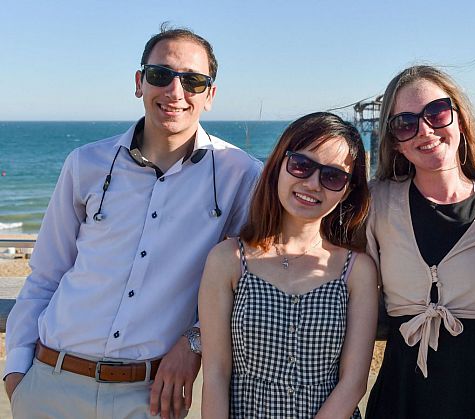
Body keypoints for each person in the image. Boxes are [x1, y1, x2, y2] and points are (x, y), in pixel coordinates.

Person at [4, 24, 262, 418]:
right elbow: (45, 275)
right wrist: (17, 375)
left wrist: (193, 343)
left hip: (150, 397)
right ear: (140, 82)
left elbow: (246, 282)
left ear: (210, 95)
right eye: (161, 75)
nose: (175, 91)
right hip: (49, 383)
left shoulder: (240, 175)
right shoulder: (84, 163)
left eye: (193, 81)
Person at [199, 112, 378, 418]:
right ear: (279, 164)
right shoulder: (228, 260)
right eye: (301, 165)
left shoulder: (356, 270)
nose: (312, 184)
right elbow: (216, 374)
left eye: (332, 176)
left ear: (348, 189)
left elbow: (353, 383)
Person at [365, 65, 475, 418]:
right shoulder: (376, 204)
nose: (425, 129)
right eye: (405, 123)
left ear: (460, 121)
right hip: (400, 401)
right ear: (396, 143)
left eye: (436, 113)